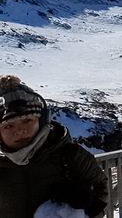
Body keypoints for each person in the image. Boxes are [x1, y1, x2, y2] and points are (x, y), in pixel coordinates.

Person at [0, 76, 108, 218]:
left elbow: (101, 186)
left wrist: (88, 205)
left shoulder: (71, 155)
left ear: (41, 120)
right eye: (8, 125)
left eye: (27, 120)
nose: (20, 130)